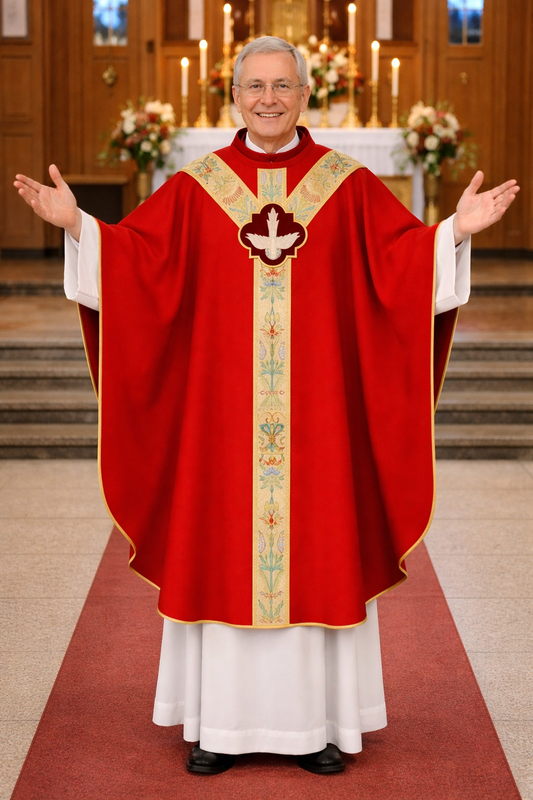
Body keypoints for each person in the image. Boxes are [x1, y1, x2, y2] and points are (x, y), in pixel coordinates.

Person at [14, 36, 519, 777]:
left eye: (282, 85)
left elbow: (398, 265)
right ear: (234, 95)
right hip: (223, 428)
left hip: (318, 428)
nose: (268, 99)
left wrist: (451, 236)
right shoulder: (198, 186)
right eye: (254, 86)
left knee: (318, 547)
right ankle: (218, 726)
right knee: (220, 547)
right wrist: (78, 227)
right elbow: (139, 264)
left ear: (306, 93)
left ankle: (315, 727)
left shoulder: (345, 185)